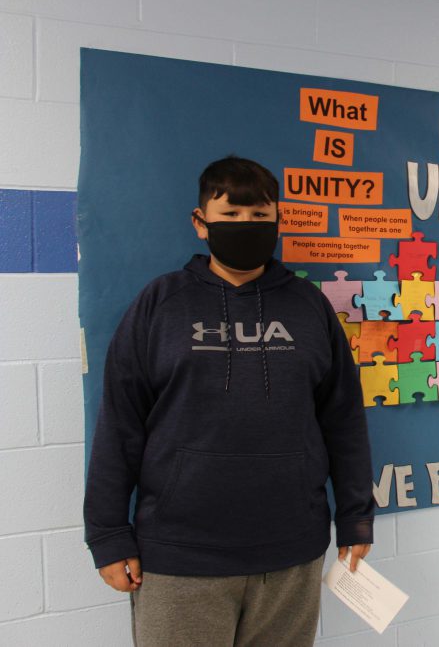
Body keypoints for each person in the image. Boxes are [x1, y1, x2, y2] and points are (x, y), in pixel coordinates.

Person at [84, 156, 374, 646]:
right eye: (232, 215)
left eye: (260, 217)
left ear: (278, 221)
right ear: (201, 224)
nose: (247, 226)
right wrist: (108, 534)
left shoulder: (308, 306)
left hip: (292, 552)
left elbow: (343, 419)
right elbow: (120, 423)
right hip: (179, 556)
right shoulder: (160, 304)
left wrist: (355, 516)